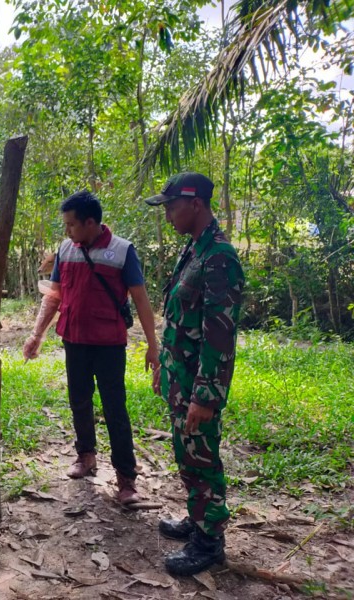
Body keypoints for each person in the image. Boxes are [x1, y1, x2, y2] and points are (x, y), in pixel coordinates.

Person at [23, 191, 160, 505]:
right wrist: (36, 335)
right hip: (74, 339)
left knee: (115, 408)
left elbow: (141, 300)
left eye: (72, 225)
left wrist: (153, 347)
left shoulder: (122, 250)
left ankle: (126, 478)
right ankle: (86, 456)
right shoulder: (66, 250)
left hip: (109, 343)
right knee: (79, 400)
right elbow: (54, 295)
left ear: (89, 222)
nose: (68, 231)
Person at [145, 172, 244, 576]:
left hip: (199, 385)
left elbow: (219, 336)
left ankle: (209, 541)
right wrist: (164, 369)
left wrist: (205, 396)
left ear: (196, 204)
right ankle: (197, 517)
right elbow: (180, 319)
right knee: (187, 454)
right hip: (180, 377)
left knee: (202, 458)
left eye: (171, 205)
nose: (167, 213)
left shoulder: (219, 257)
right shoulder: (194, 250)